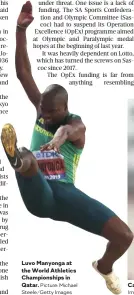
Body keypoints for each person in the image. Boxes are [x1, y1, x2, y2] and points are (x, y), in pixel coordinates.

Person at [1, 2, 133, 294]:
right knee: (28, 157)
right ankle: (15, 159)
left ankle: (104, 267)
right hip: (39, 192)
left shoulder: (76, 126)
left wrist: (56, 141)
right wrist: (20, 30)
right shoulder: (41, 108)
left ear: (64, 108)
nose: (43, 116)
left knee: (125, 236)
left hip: (66, 195)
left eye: (49, 113)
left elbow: (67, 131)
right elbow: (23, 72)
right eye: (42, 110)